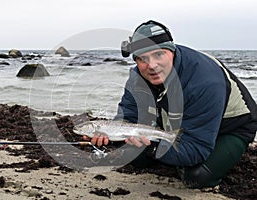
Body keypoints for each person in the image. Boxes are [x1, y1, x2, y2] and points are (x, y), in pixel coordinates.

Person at [87, 20, 257, 188]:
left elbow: (197, 149)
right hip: (179, 121)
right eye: (143, 58)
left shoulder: (204, 82)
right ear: (136, 60)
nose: (152, 65)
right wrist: (111, 136)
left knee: (198, 177)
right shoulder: (137, 77)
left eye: (159, 54)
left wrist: (152, 148)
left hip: (230, 127)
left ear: (172, 52)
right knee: (133, 156)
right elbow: (129, 116)